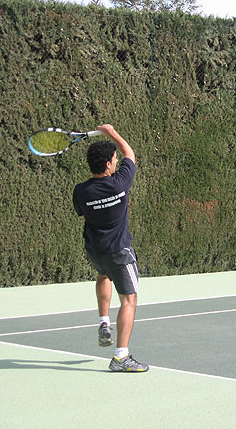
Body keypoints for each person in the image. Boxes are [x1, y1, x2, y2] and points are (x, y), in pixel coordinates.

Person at [73, 124, 148, 373]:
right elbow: (131, 154)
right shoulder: (119, 184)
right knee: (129, 299)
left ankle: (104, 322)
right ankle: (121, 357)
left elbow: (83, 215)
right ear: (108, 164)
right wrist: (113, 134)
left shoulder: (81, 191)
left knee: (103, 275)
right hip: (119, 251)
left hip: (95, 251)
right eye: (113, 159)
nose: (117, 161)